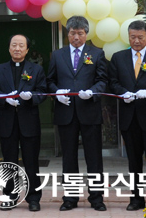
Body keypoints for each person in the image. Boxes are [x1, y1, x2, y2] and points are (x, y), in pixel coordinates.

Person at [46, 15, 107, 212]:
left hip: (89, 112)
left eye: (80, 33)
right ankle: (70, 198)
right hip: (66, 113)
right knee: (69, 158)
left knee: (94, 157)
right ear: (68, 34)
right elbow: (50, 81)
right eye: (73, 33)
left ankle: (96, 198)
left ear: (86, 34)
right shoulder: (57, 55)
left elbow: (102, 80)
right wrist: (57, 93)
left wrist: (93, 92)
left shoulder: (96, 54)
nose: (76, 37)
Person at [108, 20, 146, 210]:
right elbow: (113, 81)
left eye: (140, 37)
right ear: (128, 36)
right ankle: (136, 200)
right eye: (133, 37)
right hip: (129, 117)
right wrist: (122, 93)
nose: (136, 41)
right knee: (133, 162)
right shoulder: (118, 58)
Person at [0, 34, 47, 211]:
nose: (17, 48)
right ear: (9, 48)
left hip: (29, 122)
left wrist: (32, 97)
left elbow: (43, 92)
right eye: (14, 45)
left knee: (31, 161)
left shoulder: (36, 70)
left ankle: (34, 198)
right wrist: (4, 100)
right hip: (7, 121)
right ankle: (9, 196)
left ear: (27, 49)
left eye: (21, 45)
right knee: (9, 161)